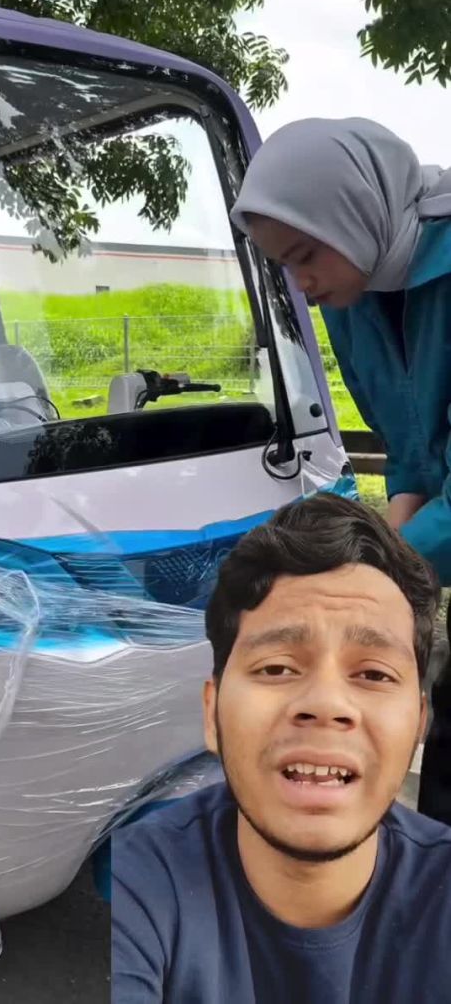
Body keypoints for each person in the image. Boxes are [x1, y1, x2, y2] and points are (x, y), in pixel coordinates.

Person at [111, 494, 451, 1003]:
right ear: (212, 713)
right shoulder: (138, 883)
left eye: (374, 674)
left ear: (420, 723)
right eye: (276, 668)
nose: (326, 704)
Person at [228, 117, 451, 823]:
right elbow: (409, 440)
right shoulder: (355, 292)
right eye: (284, 266)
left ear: (357, 214)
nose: (302, 283)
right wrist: (385, 559)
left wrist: (370, 573)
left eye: (305, 256)